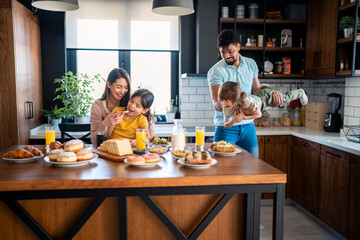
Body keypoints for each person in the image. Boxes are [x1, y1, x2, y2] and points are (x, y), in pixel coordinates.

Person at [207, 30, 284, 157]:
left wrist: (270, 102)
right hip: (226, 129)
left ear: (238, 47)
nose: (226, 55)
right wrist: (243, 112)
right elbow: (217, 104)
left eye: (230, 51)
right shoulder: (216, 71)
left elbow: (256, 92)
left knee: (252, 168)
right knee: (222, 170)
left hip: (248, 128)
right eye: (222, 52)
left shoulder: (251, 64)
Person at [90, 68, 155, 147]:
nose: (123, 91)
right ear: (109, 84)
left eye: (126, 87)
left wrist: (147, 138)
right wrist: (105, 124)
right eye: (119, 87)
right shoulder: (101, 107)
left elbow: (148, 135)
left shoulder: (132, 101)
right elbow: (95, 140)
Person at [218, 81, 308, 128]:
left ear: (235, 98)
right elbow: (226, 124)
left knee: (286, 97)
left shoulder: (246, 102)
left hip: (266, 97)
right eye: (222, 100)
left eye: (226, 100)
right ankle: (265, 87)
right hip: (258, 96)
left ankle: (300, 92)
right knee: (261, 94)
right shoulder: (226, 107)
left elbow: (259, 114)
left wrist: (245, 117)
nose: (224, 103)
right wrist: (233, 120)